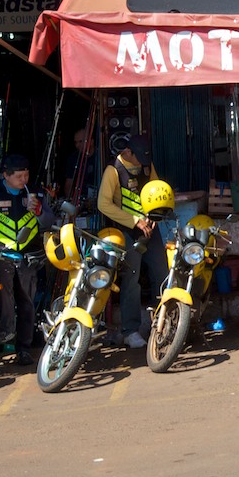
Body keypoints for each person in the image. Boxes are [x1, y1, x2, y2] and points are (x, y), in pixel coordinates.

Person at [0, 154, 54, 365]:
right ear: (5, 175)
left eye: (26, 175)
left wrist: (39, 211)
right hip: (0, 255)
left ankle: (24, 347)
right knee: (3, 297)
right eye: (18, 176)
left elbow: (50, 221)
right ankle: (3, 335)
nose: (24, 180)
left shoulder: (37, 194)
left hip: (28, 256)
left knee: (26, 300)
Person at [97, 133, 169, 349]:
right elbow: (104, 204)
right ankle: (130, 330)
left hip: (151, 228)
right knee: (131, 280)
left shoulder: (146, 165)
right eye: (138, 158)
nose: (143, 163)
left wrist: (155, 214)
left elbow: (157, 190)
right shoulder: (113, 170)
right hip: (127, 231)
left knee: (162, 274)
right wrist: (134, 221)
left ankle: (163, 322)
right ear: (126, 152)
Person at [62, 127, 97, 201]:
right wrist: (72, 201)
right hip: (81, 200)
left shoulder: (101, 156)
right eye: (75, 142)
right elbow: (68, 184)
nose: (77, 145)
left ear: (91, 141)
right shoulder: (73, 158)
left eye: (81, 141)